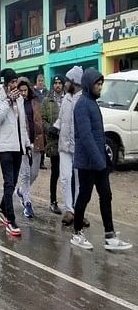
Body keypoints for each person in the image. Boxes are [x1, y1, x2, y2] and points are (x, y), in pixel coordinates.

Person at [70, 69, 132, 251]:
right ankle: (77, 232)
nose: (100, 87)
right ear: (89, 84)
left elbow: (98, 135)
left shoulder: (92, 103)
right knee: (85, 196)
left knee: (106, 195)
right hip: (87, 162)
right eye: (97, 84)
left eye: (101, 84)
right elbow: (86, 136)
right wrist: (99, 161)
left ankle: (110, 235)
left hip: (98, 160)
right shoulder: (82, 105)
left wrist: (104, 157)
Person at [0, 68, 30, 236]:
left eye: (16, 82)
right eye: (12, 82)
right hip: (5, 146)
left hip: (18, 146)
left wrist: (27, 144)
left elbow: (22, 124)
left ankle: (2, 209)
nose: (15, 86)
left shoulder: (20, 100)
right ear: (6, 84)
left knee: (13, 183)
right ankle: (11, 220)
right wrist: (7, 101)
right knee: (8, 182)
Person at [54, 66, 86, 227]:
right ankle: (69, 210)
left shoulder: (83, 99)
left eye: (67, 81)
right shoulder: (66, 99)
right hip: (64, 146)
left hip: (79, 147)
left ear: (75, 82)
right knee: (65, 178)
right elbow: (61, 118)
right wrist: (55, 127)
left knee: (80, 181)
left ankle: (80, 211)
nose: (65, 83)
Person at [15, 77, 46, 218]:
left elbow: (41, 121)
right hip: (23, 144)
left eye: (25, 90)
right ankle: (27, 204)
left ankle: (21, 191)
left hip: (37, 142)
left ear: (29, 89)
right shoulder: (15, 105)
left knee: (34, 173)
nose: (23, 93)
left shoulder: (35, 102)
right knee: (25, 174)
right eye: (20, 90)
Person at [41, 75, 64, 215]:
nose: (57, 85)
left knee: (68, 174)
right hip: (54, 140)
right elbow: (42, 119)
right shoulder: (47, 101)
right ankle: (53, 201)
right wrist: (50, 128)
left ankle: (71, 203)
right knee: (55, 172)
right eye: (55, 83)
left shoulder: (68, 99)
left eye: (60, 83)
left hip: (67, 140)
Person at [34, 74, 48, 169]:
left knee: (44, 142)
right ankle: (37, 161)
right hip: (36, 119)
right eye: (39, 80)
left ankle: (42, 161)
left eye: (42, 80)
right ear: (36, 81)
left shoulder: (47, 92)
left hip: (45, 119)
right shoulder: (33, 92)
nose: (40, 82)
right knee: (38, 141)